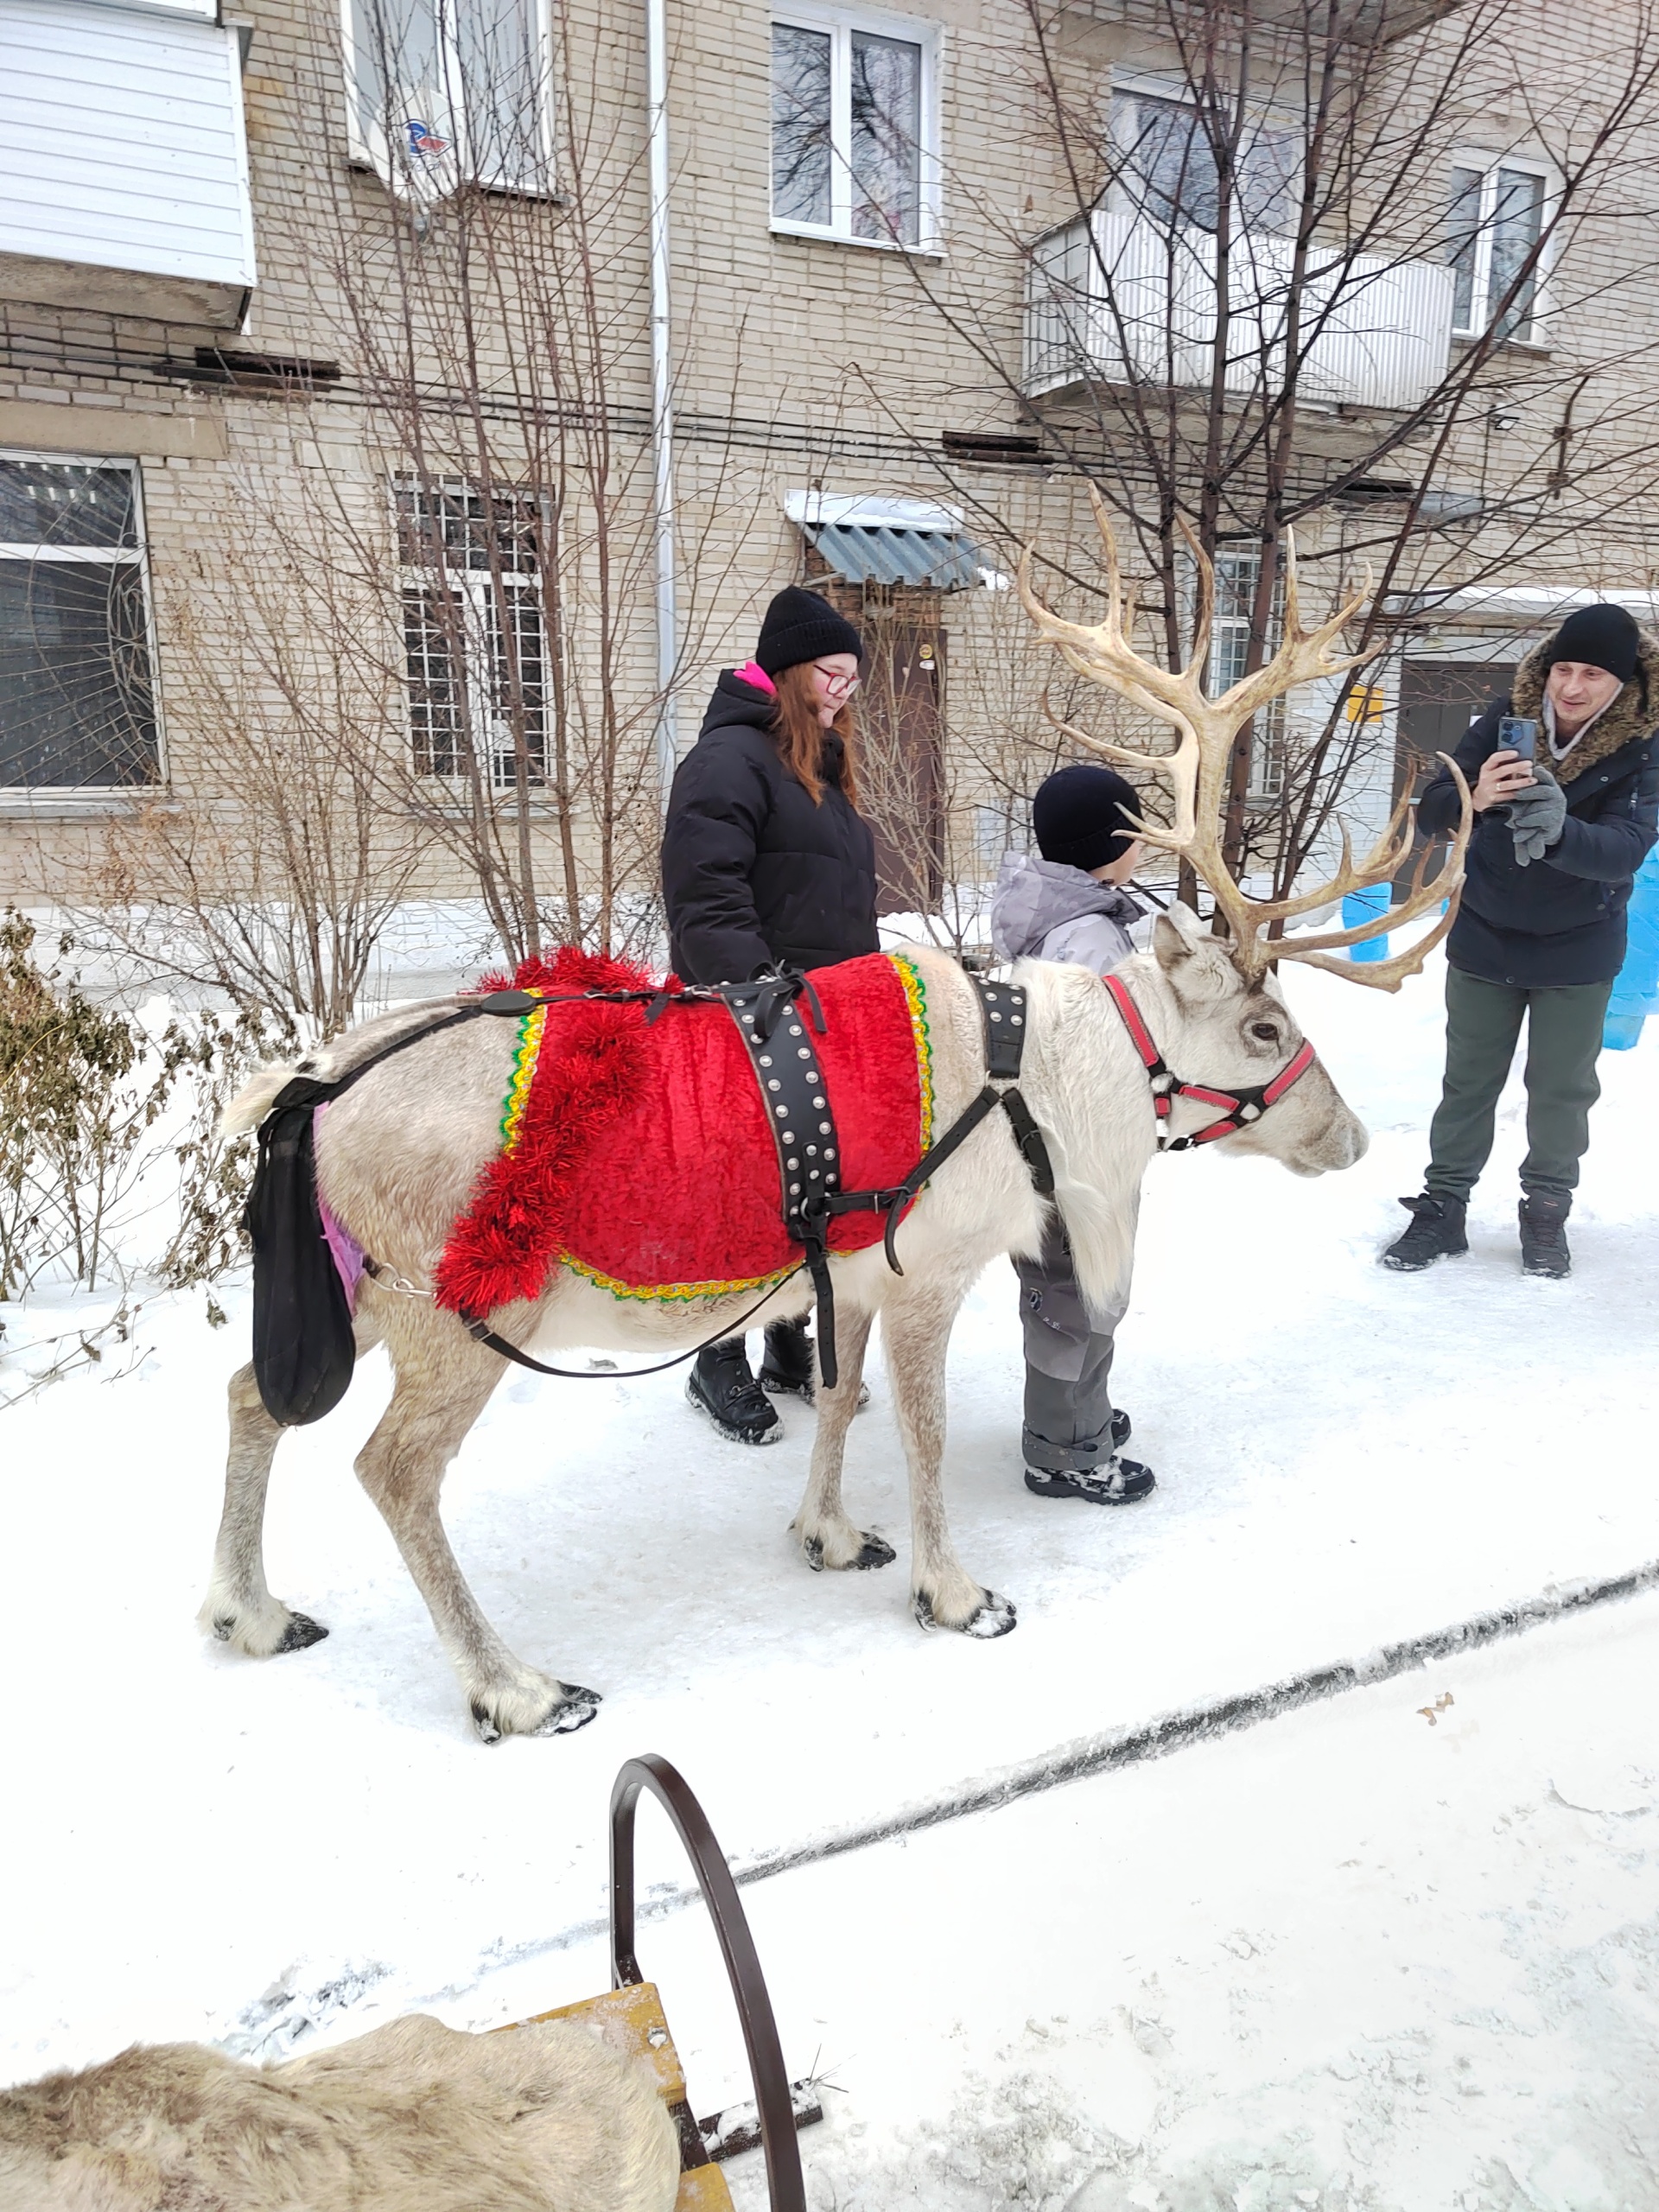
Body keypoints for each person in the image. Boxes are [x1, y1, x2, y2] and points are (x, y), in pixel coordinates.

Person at [661, 585, 878, 1442]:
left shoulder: (815, 768)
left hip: (823, 1020)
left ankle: (789, 1343)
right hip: (748, 1025)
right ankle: (718, 1363)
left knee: (813, 1188)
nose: (843, 692)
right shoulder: (728, 762)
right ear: (788, 671)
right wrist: (764, 1006)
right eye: (831, 674)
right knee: (742, 1199)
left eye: (854, 680)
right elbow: (706, 904)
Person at [1385, 602, 1659, 1279]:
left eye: (1592, 674)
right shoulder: (1503, 719)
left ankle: (1545, 1209)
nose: (1571, 687)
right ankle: (1444, 1207)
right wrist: (1473, 796)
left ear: (1621, 684)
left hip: (1579, 947)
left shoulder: (1645, 746)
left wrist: (1562, 830)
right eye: (1564, 668)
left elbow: (1625, 849)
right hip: (1486, 933)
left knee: (1560, 1089)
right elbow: (1433, 811)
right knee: (1467, 1083)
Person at [989, 762, 1158, 1505]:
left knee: (1076, 1289)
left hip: (1050, 1145)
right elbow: (1099, 1056)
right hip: (1079, 1154)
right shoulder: (1090, 940)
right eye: (1137, 829)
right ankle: (1064, 1445)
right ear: (1110, 842)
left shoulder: (1059, 915)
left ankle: (1075, 1415)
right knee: (1078, 1292)